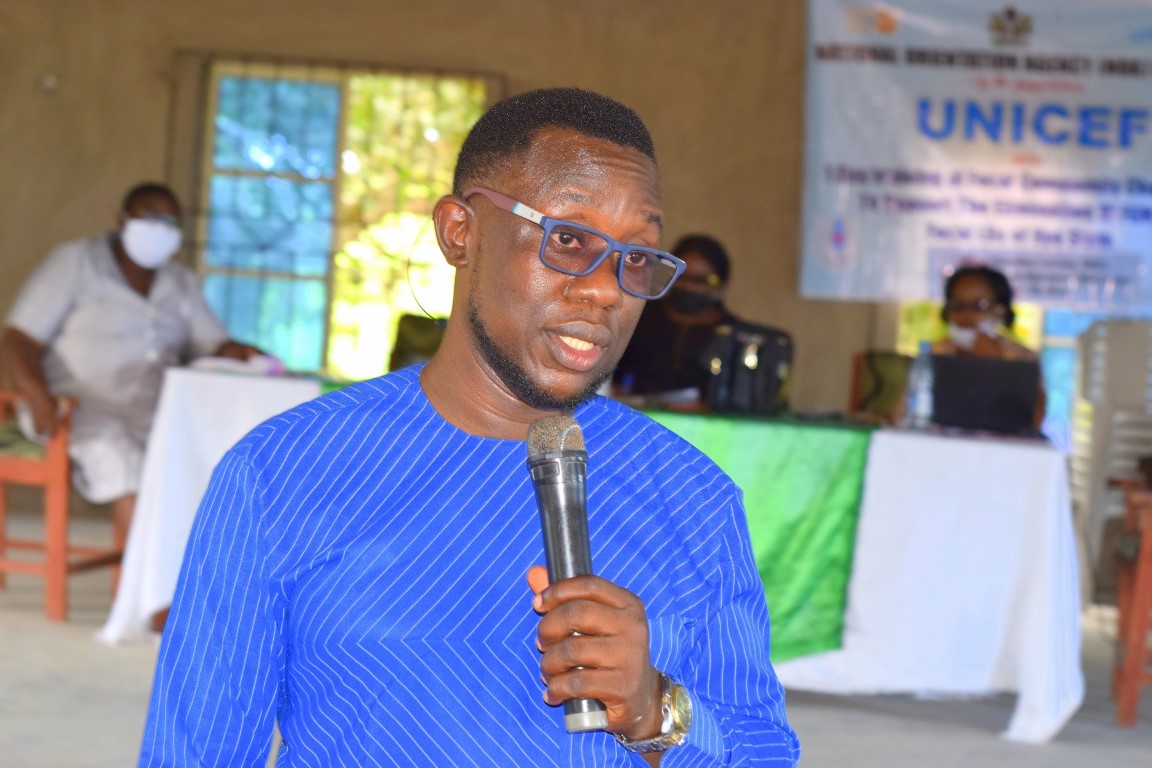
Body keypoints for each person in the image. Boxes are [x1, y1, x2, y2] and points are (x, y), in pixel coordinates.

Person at [139, 88, 800, 766]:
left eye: (634, 256)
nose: (607, 290)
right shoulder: (283, 471)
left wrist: (656, 710)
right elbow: (195, 751)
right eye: (568, 239)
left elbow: (761, 751)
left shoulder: (693, 498)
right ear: (461, 231)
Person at [1, 182, 259, 562]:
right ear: (123, 220)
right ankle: (147, 588)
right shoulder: (76, 263)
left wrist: (247, 354)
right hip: (73, 409)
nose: (160, 228)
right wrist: (35, 393)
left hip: (151, 412)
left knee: (208, 460)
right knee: (120, 457)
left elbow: (216, 344)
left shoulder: (180, 283)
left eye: (171, 221)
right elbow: (19, 338)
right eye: (150, 217)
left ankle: (193, 575)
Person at [612, 234, 739, 407]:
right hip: (632, 412)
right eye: (683, 277)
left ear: (720, 283)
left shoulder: (732, 334)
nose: (689, 286)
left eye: (702, 280)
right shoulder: (639, 317)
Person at [930, 264, 1046, 428]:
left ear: (1000, 311)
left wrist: (995, 364)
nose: (967, 315)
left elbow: (1033, 422)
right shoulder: (937, 354)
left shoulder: (1022, 359)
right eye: (957, 305)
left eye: (980, 305)